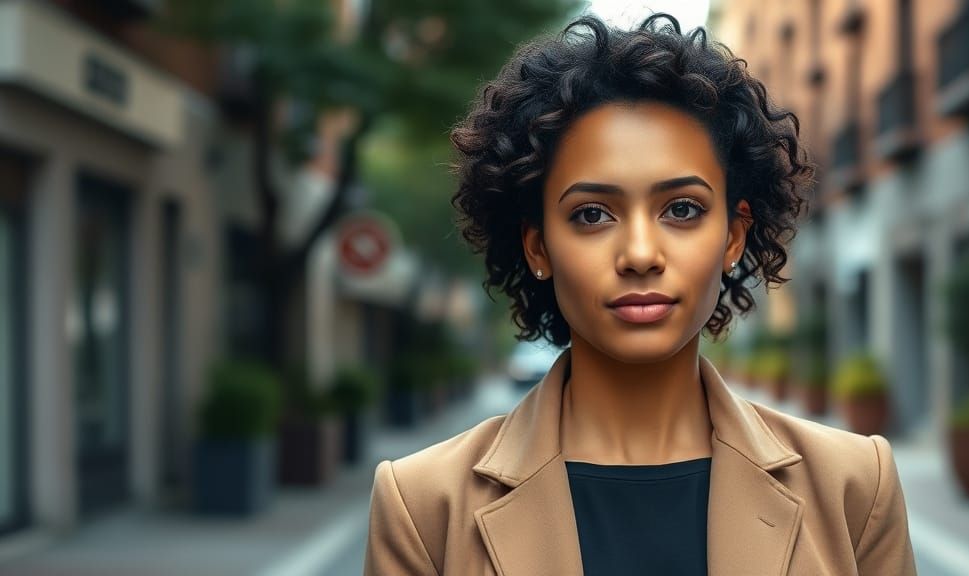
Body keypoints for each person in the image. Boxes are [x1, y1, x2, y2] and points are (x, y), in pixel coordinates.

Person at [363, 12, 916, 576]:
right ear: (538, 247)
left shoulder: (854, 486)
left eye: (682, 209)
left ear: (733, 235)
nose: (640, 253)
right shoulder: (423, 506)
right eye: (592, 214)